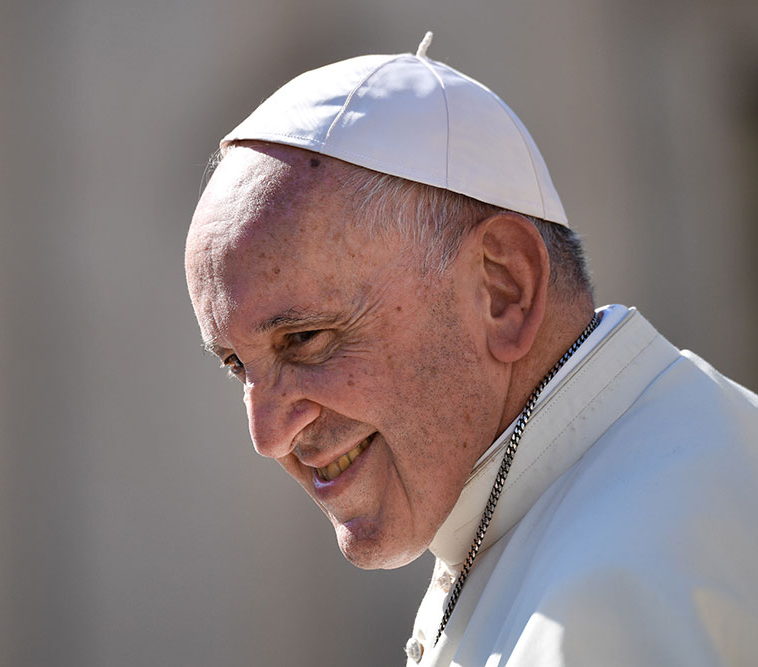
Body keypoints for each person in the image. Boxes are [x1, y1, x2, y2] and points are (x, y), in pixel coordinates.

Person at [184, 33, 758, 666]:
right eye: (238, 365)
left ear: (503, 288)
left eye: (305, 339)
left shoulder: (619, 592)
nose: (268, 436)